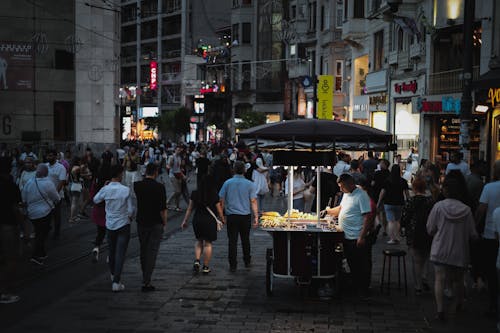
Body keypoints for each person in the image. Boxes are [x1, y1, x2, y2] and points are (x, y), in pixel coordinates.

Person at [427, 174, 478, 321]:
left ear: (445, 191)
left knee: (439, 279)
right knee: (459, 280)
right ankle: (457, 304)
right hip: (459, 250)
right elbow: (472, 233)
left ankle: (440, 310)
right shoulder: (466, 210)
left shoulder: (438, 207)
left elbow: (430, 229)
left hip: (440, 249)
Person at [324, 173, 373, 297]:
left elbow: (368, 217)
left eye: (342, 186)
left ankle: (362, 290)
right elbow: (341, 208)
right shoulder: (346, 194)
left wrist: (361, 236)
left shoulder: (361, 195)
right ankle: (354, 286)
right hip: (346, 236)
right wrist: (328, 211)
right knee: (351, 263)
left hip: (356, 237)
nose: (340, 189)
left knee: (360, 265)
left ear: (350, 184)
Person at [93, 165, 135, 292]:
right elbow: (131, 210)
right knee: (120, 253)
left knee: (111, 251)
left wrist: (104, 188)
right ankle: (116, 281)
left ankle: (113, 275)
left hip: (110, 224)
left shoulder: (106, 189)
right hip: (123, 224)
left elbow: (95, 200)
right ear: (119, 175)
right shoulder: (126, 190)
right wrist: (129, 216)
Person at [218, 161, 258, 272]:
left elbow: (221, 200)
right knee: (245, 239)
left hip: (232, 216)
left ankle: (233, 264)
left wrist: (222, 215)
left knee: (232, 241)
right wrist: (256, 216)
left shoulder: (227, 183)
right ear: (244, 170)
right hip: (245, 215)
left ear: (233, 170)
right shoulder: (250, 184)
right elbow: (253, 201)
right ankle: (247, 260)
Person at [134, 163, 167, 291]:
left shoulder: (137, 185)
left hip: (141, 221)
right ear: (156, 172)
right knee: (152, 251)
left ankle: (145, 275)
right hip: (155, 223)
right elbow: (163, 209)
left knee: (143, 249)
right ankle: (146, 280)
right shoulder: (160, 187)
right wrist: (165, 223)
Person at [181, 175, 224, 274]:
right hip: (209, 221)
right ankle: (205, 266)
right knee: (208, 244)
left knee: (199, 240)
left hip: (197, 220)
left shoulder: (195, 193)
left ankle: (197, 260)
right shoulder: (214, 194)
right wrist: (222, 219)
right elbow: (219, 210)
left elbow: (190, 209)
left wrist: (185, 221)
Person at [475, 159, 500, 316]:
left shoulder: (489, 188)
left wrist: (476, 226)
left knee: (491, 271)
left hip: (490, 233)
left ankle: (493, 302)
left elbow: (481, 210)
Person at [401, 178, 434, 295]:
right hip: (428, 231)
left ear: (414, 188)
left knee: (416, 260)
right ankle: (424, 277)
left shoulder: (411, 201)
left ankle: (418, 285)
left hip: (414, 232)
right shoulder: (430, 201)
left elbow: (405, 218)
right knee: (426, 257)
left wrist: (402, 227)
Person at [22, 164, 60, 265]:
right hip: (45, 212)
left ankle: (42, 252)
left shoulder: (29, 182)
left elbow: (24, 198)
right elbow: (56, 197)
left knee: (39, 231)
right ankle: (35, 255)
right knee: (42, 233)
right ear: (46, 173)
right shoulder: (48, 183)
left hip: (32, 213)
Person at [0, 156, 22, 304]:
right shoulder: (11, 185)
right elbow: (16, 208)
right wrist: (23, 228)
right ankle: (5, 292)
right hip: (8, 225)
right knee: (9, 259)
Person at [377, 164, 409, 244]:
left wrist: (379, 202)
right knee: (397, 220)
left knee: (391, 221)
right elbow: (407, 193)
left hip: (388, 203)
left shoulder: (387, 181)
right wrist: (408, 201)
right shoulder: (403, 181)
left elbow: (382, 192)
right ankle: (397, 237)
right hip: (400, 203)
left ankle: (392, 238)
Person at [90, 165, 111, 263]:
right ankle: (110, 255)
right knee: (111, 234)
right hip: (108, 211)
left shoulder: (96, 181)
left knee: (100, 232)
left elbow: (92, 196)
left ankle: (96, 248)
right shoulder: (110, 183)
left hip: (98, 210)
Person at [45, 149, 67, 240]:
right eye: (48, 156)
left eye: (50, 155)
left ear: (55, 156)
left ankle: (56, 232)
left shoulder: (61, 167)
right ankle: (46, 230)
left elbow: (61, 182)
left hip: (57, 196)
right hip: (45, 195)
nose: (49, 157)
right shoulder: (45, 166)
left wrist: (54, 195)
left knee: (56, 214)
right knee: (46, 214)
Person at [167, 146, 186, 211]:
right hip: (173, 175)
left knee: (179, 192)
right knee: (177, 191)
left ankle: (177, 206)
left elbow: (179, 168)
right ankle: (167, 202)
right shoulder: (171, 157)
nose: (178, 151)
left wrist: (183, 175)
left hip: (178, 175)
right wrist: (170, 164)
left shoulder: (179, 158)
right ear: (175, 150)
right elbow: (168, 166)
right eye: (177, 150)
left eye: (179, 150)